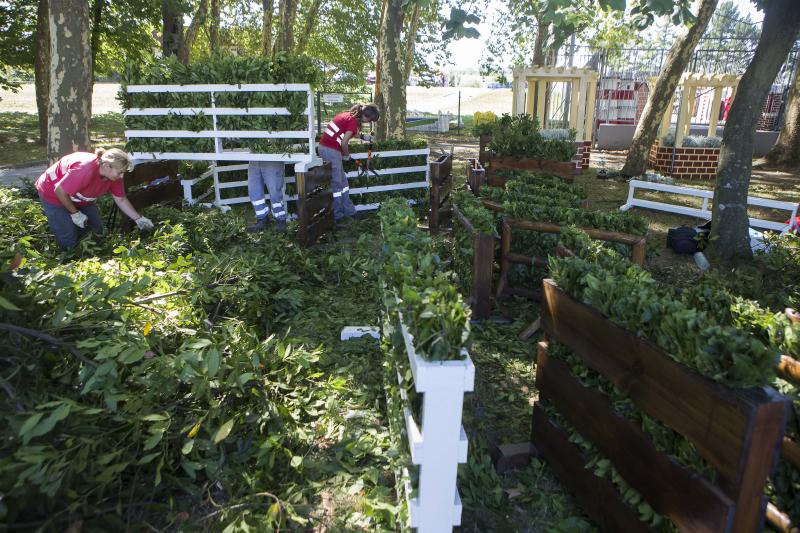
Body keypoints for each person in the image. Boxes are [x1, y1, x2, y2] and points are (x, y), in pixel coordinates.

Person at [34, 148, 154, 249]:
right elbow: (60, 191)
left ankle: (90, 259)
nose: (122, 176)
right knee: (68, 235)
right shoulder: (84, 170)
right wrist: (75, 214)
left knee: (96, 231)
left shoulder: (114, 176)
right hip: (54, 195)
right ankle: (69, 260)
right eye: (120, 172)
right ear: (107, 166)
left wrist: (139, 219)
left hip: (80, 198)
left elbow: (121, 199)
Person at [318, 103, 380, 222]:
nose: (369, 122)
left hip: (330, 149)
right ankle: (338, 217)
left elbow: (352, 133)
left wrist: (364, 137)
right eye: (370, 119)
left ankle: (350, 212)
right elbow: (344, 143)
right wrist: (346, 155)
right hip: (330, 150)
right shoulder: (352, 121)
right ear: (365, 115)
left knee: (343, 184)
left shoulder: (349, 116)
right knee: (336, 184)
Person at [246, 161, 287, 232]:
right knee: (254, 189)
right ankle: (262, 219)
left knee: (274, 190)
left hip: (272, 157)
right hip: (254, 157)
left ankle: (281, 220)